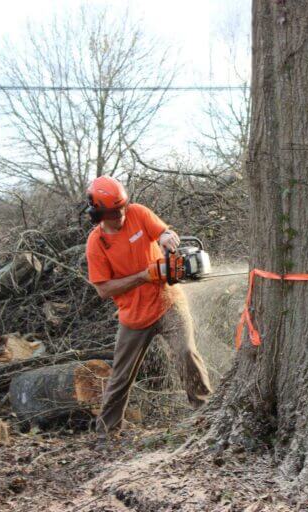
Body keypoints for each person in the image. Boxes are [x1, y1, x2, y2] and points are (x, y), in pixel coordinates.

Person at [84, 176, 212, 446]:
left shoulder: (138, 213)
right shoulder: (97, 244)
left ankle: (204, 412)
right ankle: (106, 433)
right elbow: (104, 289)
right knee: (121, 374)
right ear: (98, 214)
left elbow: (161, 231)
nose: (119, 216)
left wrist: (167, 237)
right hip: (133, 316)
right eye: (112, 212)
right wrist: (144, 275)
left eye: (121, 209)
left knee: (186, 352)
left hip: (168, 301)